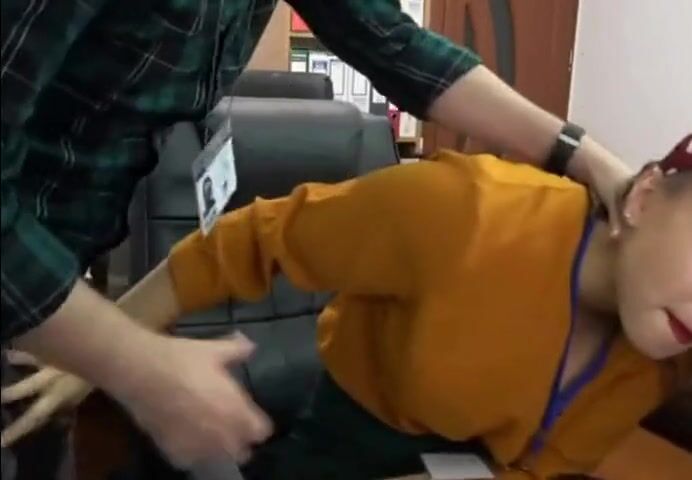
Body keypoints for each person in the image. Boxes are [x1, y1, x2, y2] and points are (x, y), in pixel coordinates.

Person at [1, 0, 632, 472]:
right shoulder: (456, 207)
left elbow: (397, 46)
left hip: (52, 285)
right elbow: (252, 239)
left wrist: (581, 154)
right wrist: (128, 359)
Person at [5, 135, 691, 479]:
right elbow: (255, 239)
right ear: (643, 197)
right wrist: (105, 348)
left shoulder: (666, 358)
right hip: (350, 441)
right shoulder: (466, 214)